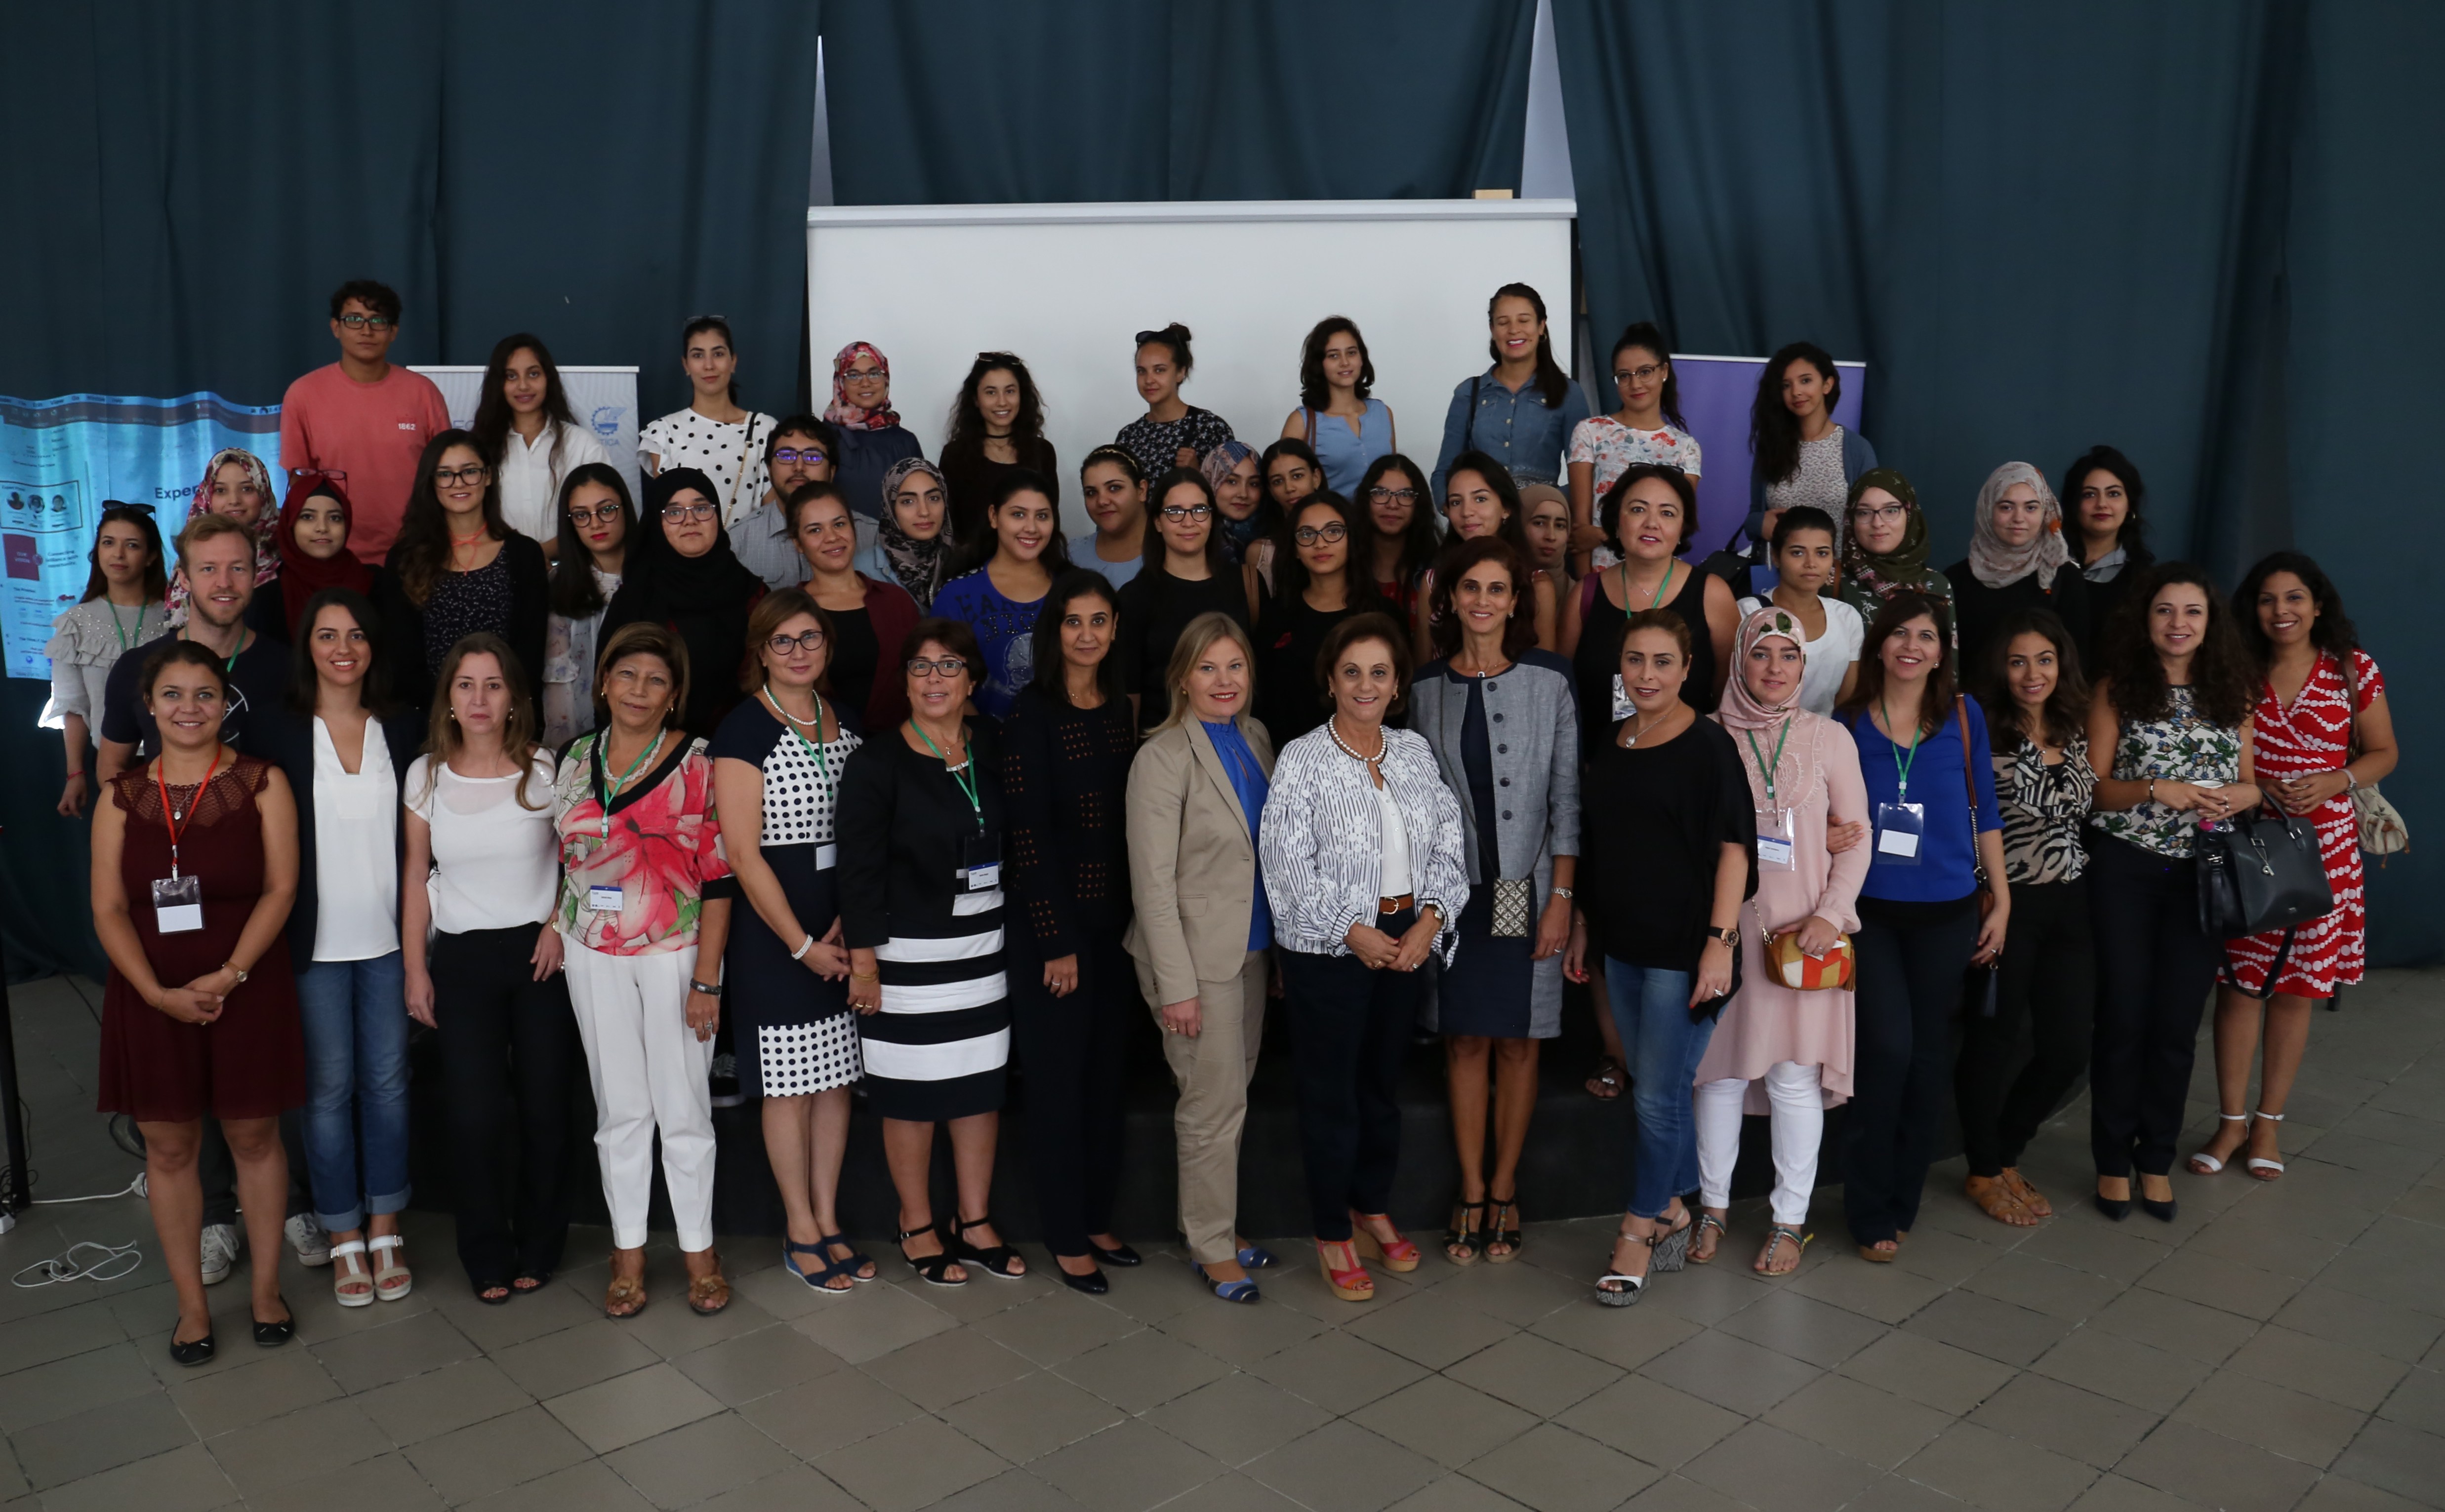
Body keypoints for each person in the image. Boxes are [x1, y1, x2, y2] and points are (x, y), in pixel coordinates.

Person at [91, 639, 303, 1362]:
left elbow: (281, 888)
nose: (190, 708)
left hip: (248, 985)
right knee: (170, 1145)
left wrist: (231, 973)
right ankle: (192, 1307)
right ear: (149, 706)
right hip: (150, 993)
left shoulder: (263, 782)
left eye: (205, 694)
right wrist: (157, 994)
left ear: (225, 704)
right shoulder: (120, 794)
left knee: (255, 1137)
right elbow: (107, 907)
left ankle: (267, 1290)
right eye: (173, 694)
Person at [1259, 614, 1467, 1303]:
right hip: (1332, 948)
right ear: (1330, 680)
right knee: (1331, 1095)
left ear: (1398, 683)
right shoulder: (1302, 758)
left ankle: (1370, 1205)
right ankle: (1331, 1230)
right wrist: (1351, 931)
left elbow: (1448, 842)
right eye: (1351, 672)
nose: (1365, 685)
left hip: (1405, 938)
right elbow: (1286, 864)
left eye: (1379, 672)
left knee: (1381, 1087)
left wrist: (1431, 918)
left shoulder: (1412, 752)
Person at [1565, 610, 1755, 1303]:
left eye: (1662, 661)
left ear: (1687, 668)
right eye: (1635, 659)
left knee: (1653, 1094)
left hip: (1685, 946)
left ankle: (1638, 1226)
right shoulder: (1614, 737)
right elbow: (1603, 845)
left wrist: (1720, 944)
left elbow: (1734, 849)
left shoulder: (1710, 746)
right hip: (1623, 943)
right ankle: (1675, 1207)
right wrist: (1584, 922)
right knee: (1659, 1083)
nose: (1647, 674)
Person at [553, 621, 735, 1316]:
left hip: (674, 954)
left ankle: (699, 1251)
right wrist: (555, 923)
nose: (639, 689)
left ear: (674, 694)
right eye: (626, 674)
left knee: (683, 1107)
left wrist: (707, 978)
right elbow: (564, 860)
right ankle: (627, 1252)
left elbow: (719, 877)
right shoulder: (573, 757)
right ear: (603, 681)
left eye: (656, 680)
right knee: (620, 1108)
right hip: (590, 953)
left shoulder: (700, 761)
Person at [2192, 554, 2394, 1181]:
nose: (2281, 610)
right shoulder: (2236, 669)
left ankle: (2268, 1125)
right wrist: (2258, 786)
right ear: (2251, 609)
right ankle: (2230, 1121)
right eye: (2267, 599)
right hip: (2253, 847)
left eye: (2295, 597)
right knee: (2240, 987)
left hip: (2326, 852)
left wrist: (2337, 779)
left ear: (2318, 604)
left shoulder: (2353, 668)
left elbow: (2384, 751)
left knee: (2297, 990)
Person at [837, 621, 1025, 1287]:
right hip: (906, 960)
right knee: (910, 1098)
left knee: (979, 1090)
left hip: (984, 953)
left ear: (972, 680)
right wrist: (864, 964)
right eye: (921, 667)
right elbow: (857, 873)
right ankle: (917, 1222)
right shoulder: (877, 763)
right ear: (906, 682)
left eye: (949, 666)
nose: (935, 678)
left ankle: (975, 1221)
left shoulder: (994, 745)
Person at [1411, 539, 1579, 1265]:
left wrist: (1561, 898)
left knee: (1516, 1038)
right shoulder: (1423, 687)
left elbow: (1567, 798)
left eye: (1497, 588)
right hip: (1454, 894)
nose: (1483, 600)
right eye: (1470, 587)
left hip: (1522, 888)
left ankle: (1506, 1187)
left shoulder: (1549, 679)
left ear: (1516, 601)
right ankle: (1471, 1188)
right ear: (1449, 599)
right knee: (1464, 1039)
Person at [256, 588, 424, 1306]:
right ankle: (342, 1229)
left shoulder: (404, 725)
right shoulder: (277, 730)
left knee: (388, 1084)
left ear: (374, 645)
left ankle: (385, 1224)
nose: (343, 648)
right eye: (327, 635)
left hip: (390, 941)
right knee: (326, 1090)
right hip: (313, 946)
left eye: (356, 634)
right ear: (308, 647)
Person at [1690, 605, 1871, 1273]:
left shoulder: (1829, 738)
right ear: (1739, 660)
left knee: (1794, 1078)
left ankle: (1789, 1220)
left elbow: (1858, 837)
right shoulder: (1705, 735)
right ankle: (1712, 1208)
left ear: (1804, 666)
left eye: (1788, 655)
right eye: (1760, 653)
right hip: (1723, 933)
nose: (1774, 667)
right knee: (1718, 1075)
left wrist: (1832, 913)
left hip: (1804, 935)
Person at [2084, 563, 2260, 1221]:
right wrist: (2156, 789)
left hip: (2203, 875)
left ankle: (2154, 1157)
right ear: (2145, 618)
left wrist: (2243, 794)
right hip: (2126, 869)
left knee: (2176, 1024)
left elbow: (2250, 783)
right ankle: (2111, 1160)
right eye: (2165, 610)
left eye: (2192, 611)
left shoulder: (2234, 691)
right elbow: (2094, 790)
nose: (2178, 623)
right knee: (2124, 1017)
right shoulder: (2117, 688)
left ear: (2211, 622)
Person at [1836, 594, 2009, 1258]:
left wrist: (2001, 898)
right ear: (1879, 645)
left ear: (1941, 652)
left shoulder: (1964, 716)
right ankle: (1867, 1204)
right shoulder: (1847, 723)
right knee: (1886, 1051)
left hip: (1948, 911)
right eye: (1900, 633)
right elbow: (1826, 810)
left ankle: (1902, 1198)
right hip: (1872, 913)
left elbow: (1984, 809)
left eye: (1927, 636)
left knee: (1929, 1056)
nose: (1912, 646)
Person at [402, 636, 573, 1305]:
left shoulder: (544, 768)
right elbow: (415, 875)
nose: (479, 698)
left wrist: (557, 924)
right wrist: (415, 968)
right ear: (448, 696)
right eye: (466, 684)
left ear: (514, 699)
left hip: (539, 954)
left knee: (544, 1107)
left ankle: (541, 1242)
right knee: (473, 1114)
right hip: (463, 957)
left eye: (493, 685)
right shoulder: (426, 775)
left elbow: (579, 857)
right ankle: (485, 1250)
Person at [710, 590, 872, 1292]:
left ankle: (829, 1218)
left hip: (842, 929)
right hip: (777, 938)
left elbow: (864, 833)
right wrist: (803, 945)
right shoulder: (744, 730)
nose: (798, 651)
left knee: (835, 1080)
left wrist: (851, 924)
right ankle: (799, 1226)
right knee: (789, 1086)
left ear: (827, 646)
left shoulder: (847, 720)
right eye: (783, 640)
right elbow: (743, 856)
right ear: (761, 651)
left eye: (810, 638)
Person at [1127, 613, 1279, 1304]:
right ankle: (1211, 1246)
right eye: (1208, 667)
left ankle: (1217, 1224)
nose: (1224, 680)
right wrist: (1177, 987)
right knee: (1209, 1106)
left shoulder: (1255, 737)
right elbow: (1152, 886)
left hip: (1250, 949)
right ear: (1182, 679)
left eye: (1235, 666)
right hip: (1192, 962)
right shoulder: (1161, 757)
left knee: (1231, 1097)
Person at [1002, 573, 1141, 1294]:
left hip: (1117, 928)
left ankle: (1095, 1217)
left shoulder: (1120, 708)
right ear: (1053, 631)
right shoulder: (1031, 713)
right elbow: (1027, 839)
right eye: (1072, 622)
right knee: (1058, 1086)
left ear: (1114, 628)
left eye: (1098, 621)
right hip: (1052, 935)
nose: (1086, 635)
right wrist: (1057, 940)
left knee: (1105, 1081)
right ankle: (1063, 1232)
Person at [1955, 609, 2095, 1227]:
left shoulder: (2074, 725)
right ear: (2000, 667)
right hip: (2007, 902)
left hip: (2072, 901)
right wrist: (1985, 893)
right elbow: (1964, 818)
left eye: (2044, 659)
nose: (2032, 673)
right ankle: (1984, 1167)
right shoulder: (1979, 729)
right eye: (2018, 661)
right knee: (1994, 1040)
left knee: (2067, 1048)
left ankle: (2006, 1150)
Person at [98, 514, 291, 780]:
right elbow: (111, 767)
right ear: (185, 579)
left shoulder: (291, 668)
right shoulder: (136, 667)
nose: (224, 582)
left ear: (255, 576)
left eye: (238, 569)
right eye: (208, 569)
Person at [373, 431, 550, 714]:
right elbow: (402, 658)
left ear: (488, 476)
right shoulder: (404, 558)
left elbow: (530, 653)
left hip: (507, 717)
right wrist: (449, 715)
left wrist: (498, 712)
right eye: (445, 474)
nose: (458, 483)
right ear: (431, 482)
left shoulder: (524, 554)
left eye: (469, 471)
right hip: (430, 718)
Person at [279, 282, 450, 561]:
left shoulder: (423, 393)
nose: (366, 331)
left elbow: (446, 474)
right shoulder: (303, 394)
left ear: (393, 331)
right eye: (354, 320)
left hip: (415, 552)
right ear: (336, 327)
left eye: (378, 321)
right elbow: (301, 484)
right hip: (335, 554)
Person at [1560, 465, 1739, 731]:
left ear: (1682, 527)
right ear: (1616, 522)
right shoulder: (1584, 594)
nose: (1652, 523)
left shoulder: (1713, 594)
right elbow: (1560, 690)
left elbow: (1729, 694)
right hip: (1597, 754)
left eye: (1667, 513)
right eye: (1638, 509)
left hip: (1689, 753)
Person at [601, 468, 768, 738]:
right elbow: (609, 686)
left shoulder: (753, 593)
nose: (690, 521)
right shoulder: (635, 599)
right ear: (657, 523)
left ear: (717, 516)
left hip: (745, 742)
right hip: (652, 746)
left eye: (701, 509)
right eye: (674, 512)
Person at [50, 502, 168, 816]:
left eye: (132, 545)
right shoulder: (75, 623)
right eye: (109, 543)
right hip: (109, 765)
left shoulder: (176, 617)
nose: (118, 554)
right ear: (97, 551)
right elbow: (75, 708)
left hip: (175, 759)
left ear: (151, 556)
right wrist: (75, 773)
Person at [1431, 283, 1590, 499]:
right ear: (1492, 330)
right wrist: (1459, 508)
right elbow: (1444, 472)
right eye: (1503, 322)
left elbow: (1583, 474)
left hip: (1540, 515)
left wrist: (1548, 504)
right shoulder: (1468, 393)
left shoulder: (1568, 393)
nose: (1514, 330)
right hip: (1481, 517)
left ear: (1541, 326)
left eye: (1524, 321)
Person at [1119, 469, 1251, 727]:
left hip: (1239, 737)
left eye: (1199, 510)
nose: (1188, 522)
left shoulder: (1245, 583)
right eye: (1175, 512)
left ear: (1212, 518)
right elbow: (1130, 692)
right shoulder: (1135, 597)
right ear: (1158, 522)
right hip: (1164, 740)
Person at [1252, 491, 1385, 746]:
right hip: (1287, 760)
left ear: (1352, 539)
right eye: (1307, 534)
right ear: (1294, 548)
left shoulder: (1381, 615)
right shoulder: (1275, 614)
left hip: (1367, 759)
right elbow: (1261, 698)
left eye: (1333, 531)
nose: (1320, 543)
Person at [932, 470, 1066, 719]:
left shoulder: (1071, 589)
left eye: (1042, 516)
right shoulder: (956, 595)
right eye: (1018, 514)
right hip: (980, 737)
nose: (1031, 528)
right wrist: (985, 736)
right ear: (994, 517)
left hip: (1063, 734)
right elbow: (941, 681)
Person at [1568, 323, 1703, 567]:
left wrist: (1603, 535)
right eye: (1624, 376)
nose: (1635, 384)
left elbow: (1676, 528)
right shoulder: (1590, 431)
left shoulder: (1686, 447)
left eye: (1645, 372)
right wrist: (1586, 583)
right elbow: (1581, 530)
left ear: (1664, 371)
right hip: (1601, 572)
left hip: (1660, 575)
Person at [791, 480, 919, 736]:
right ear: (798, 543)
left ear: (853, 527)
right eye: (815, 530)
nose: (832, 537)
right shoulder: (787, 612)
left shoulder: (897, 601)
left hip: (898, 747)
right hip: (817, 750)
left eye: (839, 524)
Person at [470, 332, 611, 553]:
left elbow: (605, 513)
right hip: (501, 565)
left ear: (549, 379)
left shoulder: (581, 444)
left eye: (533, 374)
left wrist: (539, 555)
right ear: (498, 384)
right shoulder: (478, 449)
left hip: (571, 566)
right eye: (511, 376)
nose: (523, 386)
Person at [1946, 461, 2094, 668]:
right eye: (2006, 507)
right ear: (1987, 509)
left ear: (2045, 512)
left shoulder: (2063, 577)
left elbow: (2077, 662)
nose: (2018, 518)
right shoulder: (1955, 580)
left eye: (2031, 508)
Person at [640, 316, 777, 530]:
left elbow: (773, 514)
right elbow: (667, 514)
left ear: (733, 361)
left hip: (751, 548)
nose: (709, 365)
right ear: (686, 365)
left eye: (718, 354)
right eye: (698, 355)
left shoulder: (765, 428)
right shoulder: (663, 432)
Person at [1747, 341, 1876, 555]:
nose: (1796, 392)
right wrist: (1760, 523)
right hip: (1779, 572)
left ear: (1827, 385)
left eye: (1806, 381)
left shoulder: (1857, 449)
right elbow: (1753, 517)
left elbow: (1873, 518)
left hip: (1838, 571)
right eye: (1786, 385)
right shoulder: (1771, 446)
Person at [1426, 451, 1562, 653]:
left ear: (1506, 508)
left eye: (1480, 499)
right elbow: (1423, 668)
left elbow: (1546, 669)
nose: (1466, 512)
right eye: (1456, 502)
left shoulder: (1537, 584)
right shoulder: (1434, 581)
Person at [1736, 506, 1863, 716]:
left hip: (1825, 733)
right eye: (1797, 553)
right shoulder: (1749, 612)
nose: (1811, 563)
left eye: (1822, 553)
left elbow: (1846, 699)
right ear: (1776, 557)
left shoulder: (1847, 617)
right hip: (1756, 731)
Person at [542, 464, 634, 747]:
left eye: (606, 510)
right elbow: (553, 683)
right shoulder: (555, 585)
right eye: (582, 515)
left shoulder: (654, 578)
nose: (596, 524)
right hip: (571, 743)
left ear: (626, 508)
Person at [940, 352, 1060, 544]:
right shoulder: (955, 455)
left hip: (1032, 557)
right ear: (976, 399)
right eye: (991, 392)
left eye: (1010, 391)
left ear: (1022, 395)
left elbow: (1051, 521)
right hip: (974, 560)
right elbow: (949, 527)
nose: (1002, 402)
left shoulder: (1043, 452)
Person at [1283, 317, 1395, 497]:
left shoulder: (1383, 413)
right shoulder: (1301, 422)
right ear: (1319, 364)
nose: (1345, 362)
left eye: (1351, 353)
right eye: (1333, 355)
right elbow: (1286, 489)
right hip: (1329, 515)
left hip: (1382, 515)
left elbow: (1395, 478)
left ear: (1362, 358)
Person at [167, 449, 280, 625]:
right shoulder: (190, 555)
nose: (234, 500)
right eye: (221, 490)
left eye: (247, 489)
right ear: (207, 496)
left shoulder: (288, 555)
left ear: (263, 492)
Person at [1838, 470, 1957, 636]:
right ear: (1851, 519)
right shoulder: (1831, 582)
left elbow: (1947, 651)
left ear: (1909, 514)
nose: (1877, 523)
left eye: (1891, 511)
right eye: (1864, 513)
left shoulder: (1937, 586)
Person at [260, 473, 374, 643]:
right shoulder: (267, 598)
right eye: (308, 517)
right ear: (290, 525)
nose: (322, 528)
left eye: (334, 518)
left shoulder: (378, 584)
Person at [730, 416, 840, 592]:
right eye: (786, 456)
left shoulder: (869, 536)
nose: (799, 467)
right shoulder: (736, 542)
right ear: (769, 469)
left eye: (813, 457)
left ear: (832, 471)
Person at [822, 341, 925, 525]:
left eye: (875, 373)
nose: (866, 383)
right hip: (837, 540)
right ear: (840, 382)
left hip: (894, 541)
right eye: (854, 375)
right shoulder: (822, 438)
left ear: (886, 378)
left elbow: (919, 502)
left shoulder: (905, 441)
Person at [1115, 323, 1234, 481]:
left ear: (1180, 372)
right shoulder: (1128, 437)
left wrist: (1196, 473)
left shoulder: (1210, 428)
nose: (1149, 380)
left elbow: (1233, 489)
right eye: (1142, 371)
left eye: (1159, 370)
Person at [2065, 445, 2155, 632]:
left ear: (2129, 505)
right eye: (2089, 494)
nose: (2102, 504)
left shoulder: (2144, 579)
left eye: (2113, 494)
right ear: (2074, 503)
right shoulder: (2047, 563)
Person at [857, 456, 954, 610]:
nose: (924, 511)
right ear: (890, 508)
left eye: (934, 498)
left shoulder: (966, 562)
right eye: (908, 501)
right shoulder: (862, 571)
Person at [1360, 453, 1441, 623]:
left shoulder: (1437, 569)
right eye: (1381, 493)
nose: (1392, 504)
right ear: (1366, 499)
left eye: (1405, 495)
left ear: (1418, 504)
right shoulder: (1345, 564)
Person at [1238, 439, 1321, 596]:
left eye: (1297, 476)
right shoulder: (1262, 552)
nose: (1289, 488)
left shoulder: (1345, 534)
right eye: (1278, 481)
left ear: (1316, 478)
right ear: (1271, 491)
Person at [1070, 446, 1148, 589]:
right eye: (1091, 493)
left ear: (1142, 491)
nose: (1102, 501)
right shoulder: (1072, 555)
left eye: (1114, 488)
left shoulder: (1173, 550)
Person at [1203, 440, 1266, 566]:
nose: (1243, 494)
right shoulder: (1192, 536)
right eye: (1232, 482)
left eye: (1254, 484)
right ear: (1211, 481)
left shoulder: (1275, 539)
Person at [1520, 483, 1576, 595]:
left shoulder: (1579, 595)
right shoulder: (1495, 584)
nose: (1551, 536)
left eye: (1560, 526)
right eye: (1539, 523)